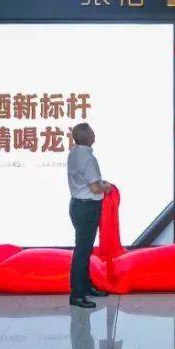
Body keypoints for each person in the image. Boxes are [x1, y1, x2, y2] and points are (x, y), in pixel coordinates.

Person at [67, 123, 112, 309]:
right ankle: (77, 295)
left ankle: (86, 286)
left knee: (84, 250)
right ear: (89, 137)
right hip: (87, 207)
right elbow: (94, 188)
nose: (94, 134)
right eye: (92, 132)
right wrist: (106, 187)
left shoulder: (73, 152)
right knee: (82, 252)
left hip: (78, 205)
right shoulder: (88, 158)